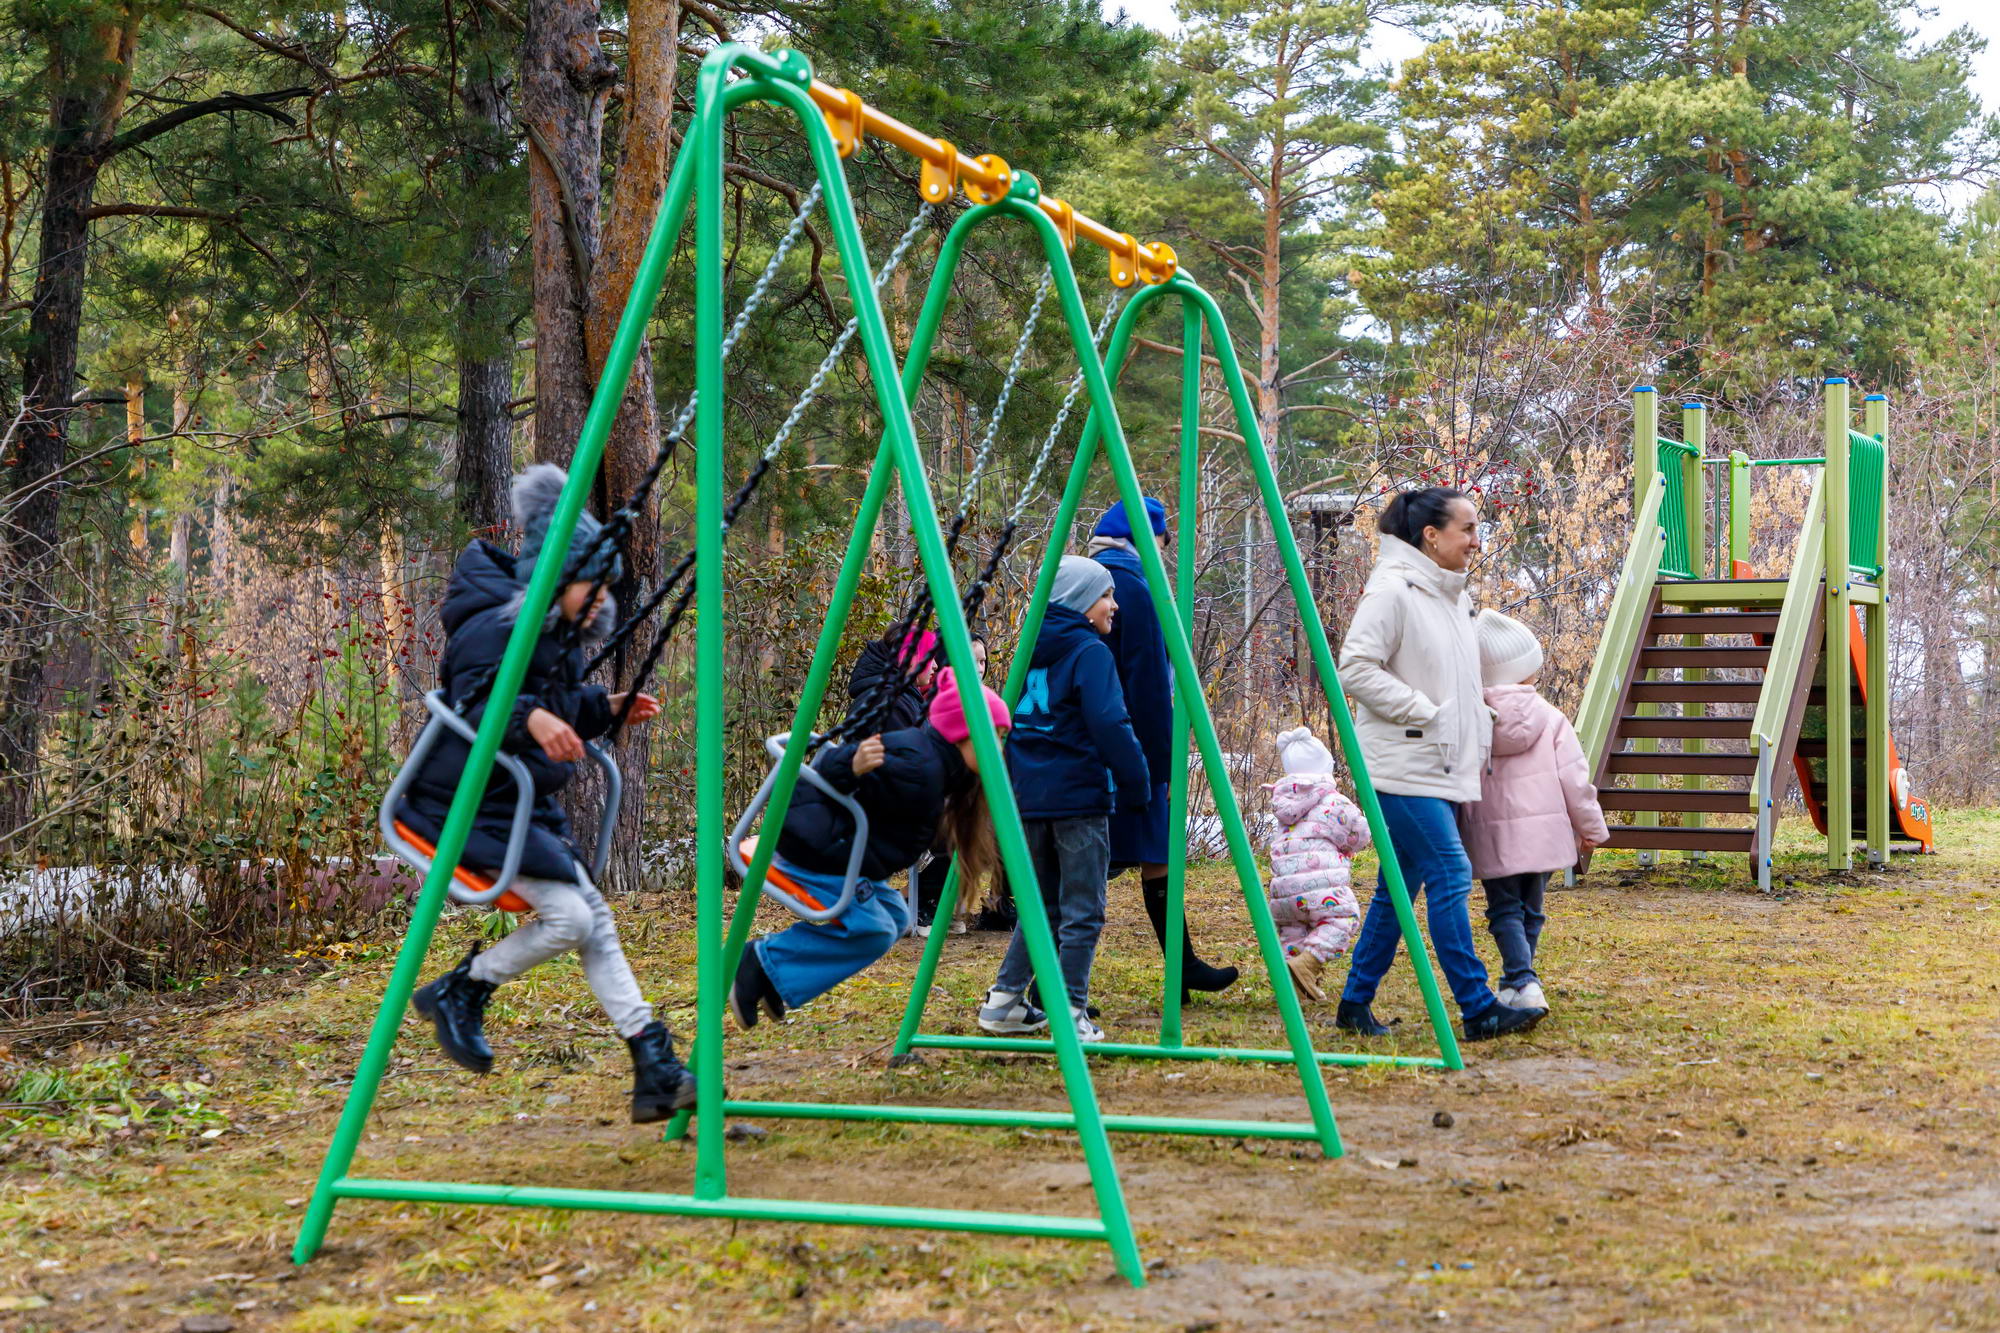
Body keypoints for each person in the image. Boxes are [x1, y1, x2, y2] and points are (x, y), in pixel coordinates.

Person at [399, 464, 695, 1122]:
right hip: (458, 803)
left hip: (510, 805)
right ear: (557, 580)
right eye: (590, 586)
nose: (597, 600)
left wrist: (599, 707)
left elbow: (548, 701)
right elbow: (478, 700)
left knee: (595, 919)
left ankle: (652, 1059)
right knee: (574, 918)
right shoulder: (495, 627)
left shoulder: (553, 638)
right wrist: (530, 717)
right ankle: (463, 988)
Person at [1333, 486, 1544, 1042]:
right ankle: (1478, 1007)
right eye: (1467, 529)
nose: (1477, 541)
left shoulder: (1449, 596)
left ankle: (1354, 1002)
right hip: (1403, 763)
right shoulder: (1393, 590)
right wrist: (1428, 714)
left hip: (1441, 763)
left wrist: (1476, 721)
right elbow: (1354, 666)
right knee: (1450, 872)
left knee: (1398, 885)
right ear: (1431, 535)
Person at [730, 671, 1012, 1025]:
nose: (999, 749)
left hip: (841, 853)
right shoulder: (920, 767)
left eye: (1003, 738)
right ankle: (759, 961)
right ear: (961, 731)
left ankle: (775, 973)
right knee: (874, 927)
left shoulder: (942, 770)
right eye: (993, 736)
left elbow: (912, 827)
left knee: (895, 914)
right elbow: (832, 770)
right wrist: (851, 766)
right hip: (813, 851)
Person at [977, 556, 1150, 1043]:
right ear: (1079, 601)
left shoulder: (1030, 650)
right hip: (1078, 798)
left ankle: (1006, 1000)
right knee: (1083, 910)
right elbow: (1109, 722)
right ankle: (1070, 1011)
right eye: (1106, 595)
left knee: (1042, 906)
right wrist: (1137, 782)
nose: (1114, 606)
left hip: (1030, 799)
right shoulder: (1090, 652)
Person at [1086, 498, 1238, 1002]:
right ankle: (1037, 984)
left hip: (1097, 738)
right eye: (1161, 541)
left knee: (1154, 853)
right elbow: (1148, 679)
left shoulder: (1089, 579)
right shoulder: (1133, 585)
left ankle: (1184, 965)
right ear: (1142, 538)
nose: (1164, 552)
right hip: (1132, 744)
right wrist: (1163, 761)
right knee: (1090, 868)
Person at [1460, 610, 1609, 1014]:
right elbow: (1575, 781)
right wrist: (1591, 828)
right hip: (1544, 837)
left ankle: (1519, 980)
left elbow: (1457, 778)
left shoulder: (1470, 720)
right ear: (1528, 670)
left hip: (1491, 836)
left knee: (1504, 908)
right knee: (1532, 907)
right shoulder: (1551, 719)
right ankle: (1521, 981)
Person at [1264, 727, 1367, 1002]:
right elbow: (1360, 835)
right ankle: (1308, 964)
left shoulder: (1283, 800)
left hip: (1283, 892)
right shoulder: (1334, 801)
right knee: (1343, 918)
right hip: (1321, 890)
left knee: (1292, 933)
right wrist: (1349, 845)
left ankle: (1294, 987)